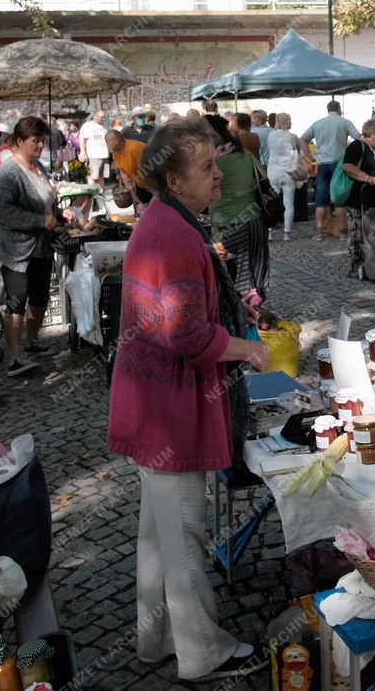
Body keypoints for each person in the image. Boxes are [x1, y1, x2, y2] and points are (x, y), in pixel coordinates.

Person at [106, 118, 270, 683]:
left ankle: (154, 641)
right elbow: (184, 336)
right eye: (206, 168)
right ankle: (202, 653)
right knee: (183, 539)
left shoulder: (165, 221)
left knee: (157, 536)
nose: (218, 176)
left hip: (154, 405)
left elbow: (186, 315)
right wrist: (246, 348)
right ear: (173, 180)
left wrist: (229, 312)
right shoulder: (173, 235)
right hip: (168, 412)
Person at [0, 117, 59, 377]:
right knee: (17, 302)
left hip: (42, 246)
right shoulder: (7, 173)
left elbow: (47, 200)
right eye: (36, 141)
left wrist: (59, 215)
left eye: (43, 140)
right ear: (20, 141)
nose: (41, 145)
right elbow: (5, 213)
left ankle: (32, 342)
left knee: (41, 298)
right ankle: (15, 358)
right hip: (17, 249)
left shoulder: (39, 166)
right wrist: (40, 220)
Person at [208, 122, 269, 298]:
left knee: (230, 276)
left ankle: (242, 315)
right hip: (252, 220)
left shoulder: (212, 163)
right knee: (252, 275)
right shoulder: (246, 156)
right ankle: (253, 313)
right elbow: (263, 179)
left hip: (225, 224)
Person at [301, 101, 360, 240]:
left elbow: (302, 139)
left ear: (327, 109)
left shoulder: (318, 123)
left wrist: (310, 157)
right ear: (339, 109)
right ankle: (343, 233)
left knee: (321, 199)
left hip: (322, 165)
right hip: (339, 166)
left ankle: (320, 232)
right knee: (340, 199)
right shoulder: (345, 122)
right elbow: (359, 138)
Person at [341, 118, 375, 277]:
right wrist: (368, 178)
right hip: (358, 198)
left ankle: (369, 265)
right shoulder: (357, 145)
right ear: (373, 133)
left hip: (370, 199)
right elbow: (347, 166)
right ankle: (356, 267)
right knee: (357, 233)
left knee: (367, 233)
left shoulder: (371, 148)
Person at [266, 112, 305, 241]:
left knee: (271, 202)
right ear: (289, 122)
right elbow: (298, 153)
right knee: (288, 204)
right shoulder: (293, 136)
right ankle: (286, 233)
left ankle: (269, 232)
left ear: (276, 121)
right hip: (288, 172)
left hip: (273, 172)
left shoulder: (270, 135)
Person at [105, 129, 153, 206]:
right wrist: (132, 193)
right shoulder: (115, 152)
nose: (108, 144)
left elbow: (147, 169)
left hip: (153, 184)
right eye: (106, 142)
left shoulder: (134, 148)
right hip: (141, 185)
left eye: (110, 140)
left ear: (120, 139)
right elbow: (122, 171)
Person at [79, 110, 110, 191]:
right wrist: (82, 152)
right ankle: (92, 195)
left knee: (101, 177)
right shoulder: (88, 126)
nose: (103, 119)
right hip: (93, 156)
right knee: (92, 177)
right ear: (95, 116)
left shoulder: (105, 127)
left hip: (104, 155)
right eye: (101, 117)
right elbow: (82, 138)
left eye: (104, 117)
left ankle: (100, 194)